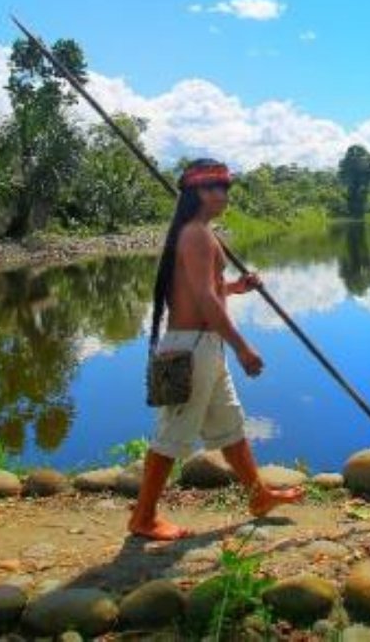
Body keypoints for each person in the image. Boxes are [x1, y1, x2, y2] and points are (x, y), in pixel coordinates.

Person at [127, 159, 305, 541]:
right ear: (195, 194)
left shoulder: (200, 234)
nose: (222, 195)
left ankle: (259, 496)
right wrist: (243, 347)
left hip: (204, 346)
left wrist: (236, 288)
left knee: (229, 425)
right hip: (191, 349)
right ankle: (143, 517)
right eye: (213, 188)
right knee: (171, 436)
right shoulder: (196, 235)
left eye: (225, 187)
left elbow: (201, 292)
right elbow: (205, 301)